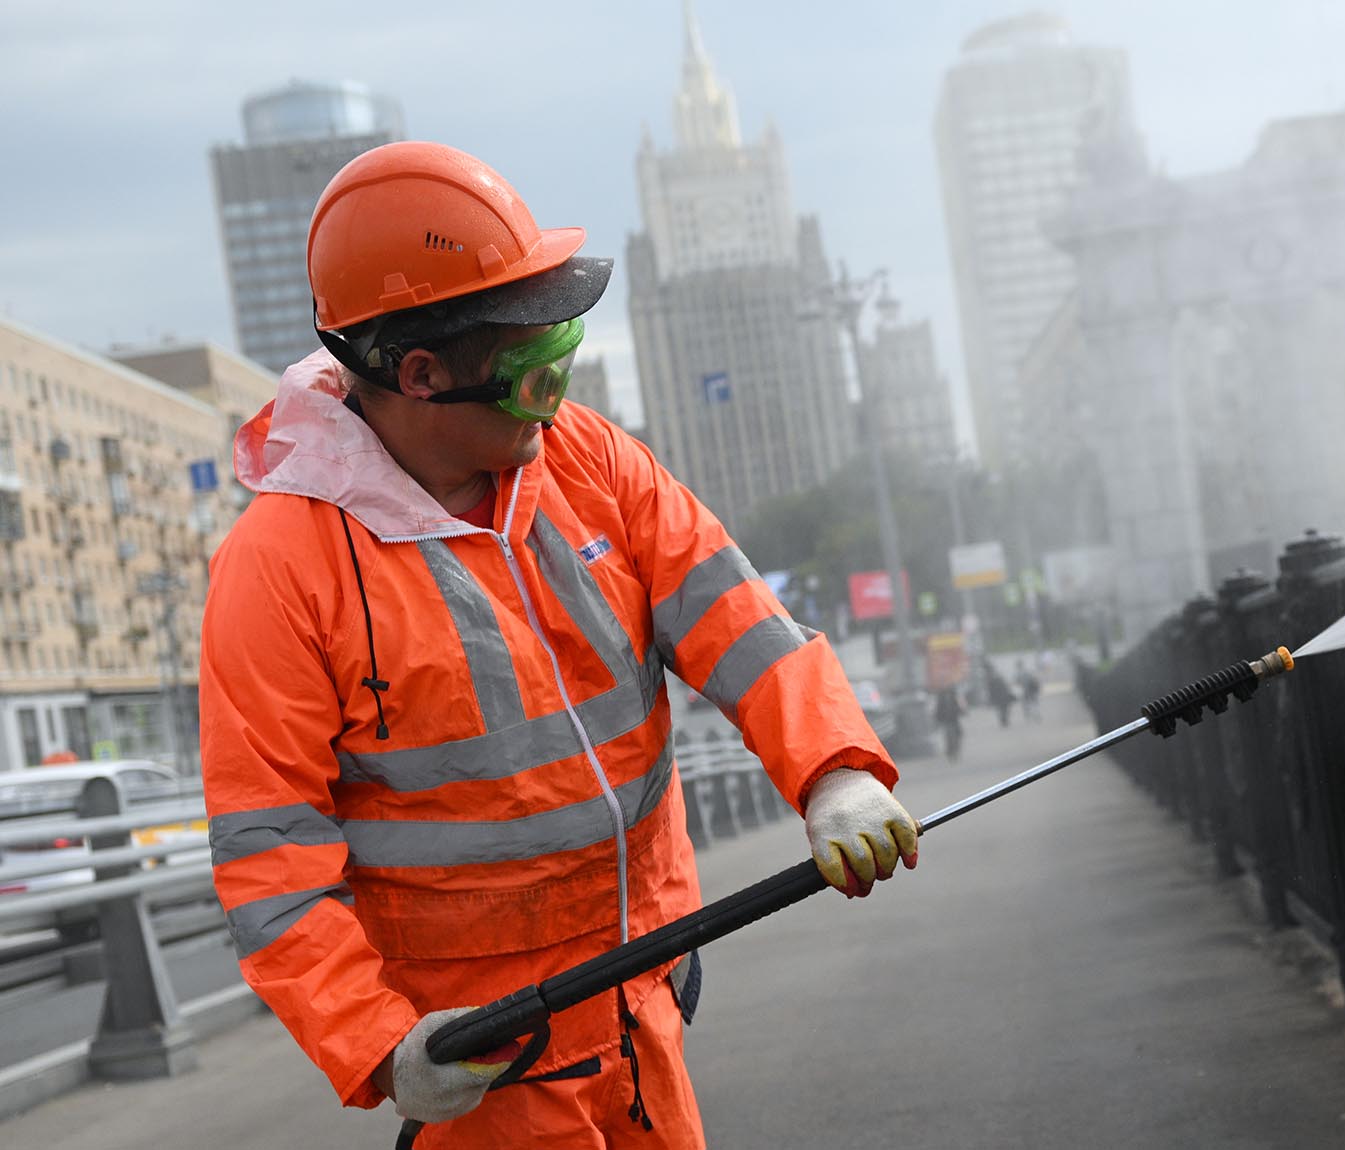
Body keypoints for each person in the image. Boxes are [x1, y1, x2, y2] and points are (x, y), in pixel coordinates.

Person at [199, 142, 920, 1150]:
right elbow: (272, 861)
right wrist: (380, 1044)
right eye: (533, 375)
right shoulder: (280, 567)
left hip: (648, 994)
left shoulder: (587, 457)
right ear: (420, 372)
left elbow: (739, 625)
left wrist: (834, 770)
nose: (558, 398)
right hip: (488, 1061)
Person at [932, 683, 965, 761]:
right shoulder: (941, 696)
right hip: (946, 719)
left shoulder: (954, 695)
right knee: (949, 737)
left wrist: (962, 711)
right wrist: (938, 719)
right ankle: (950, 751)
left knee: (958, 734)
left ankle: (955, 750)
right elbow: (938, 709)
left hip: (954, 718)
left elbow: (959, 705)